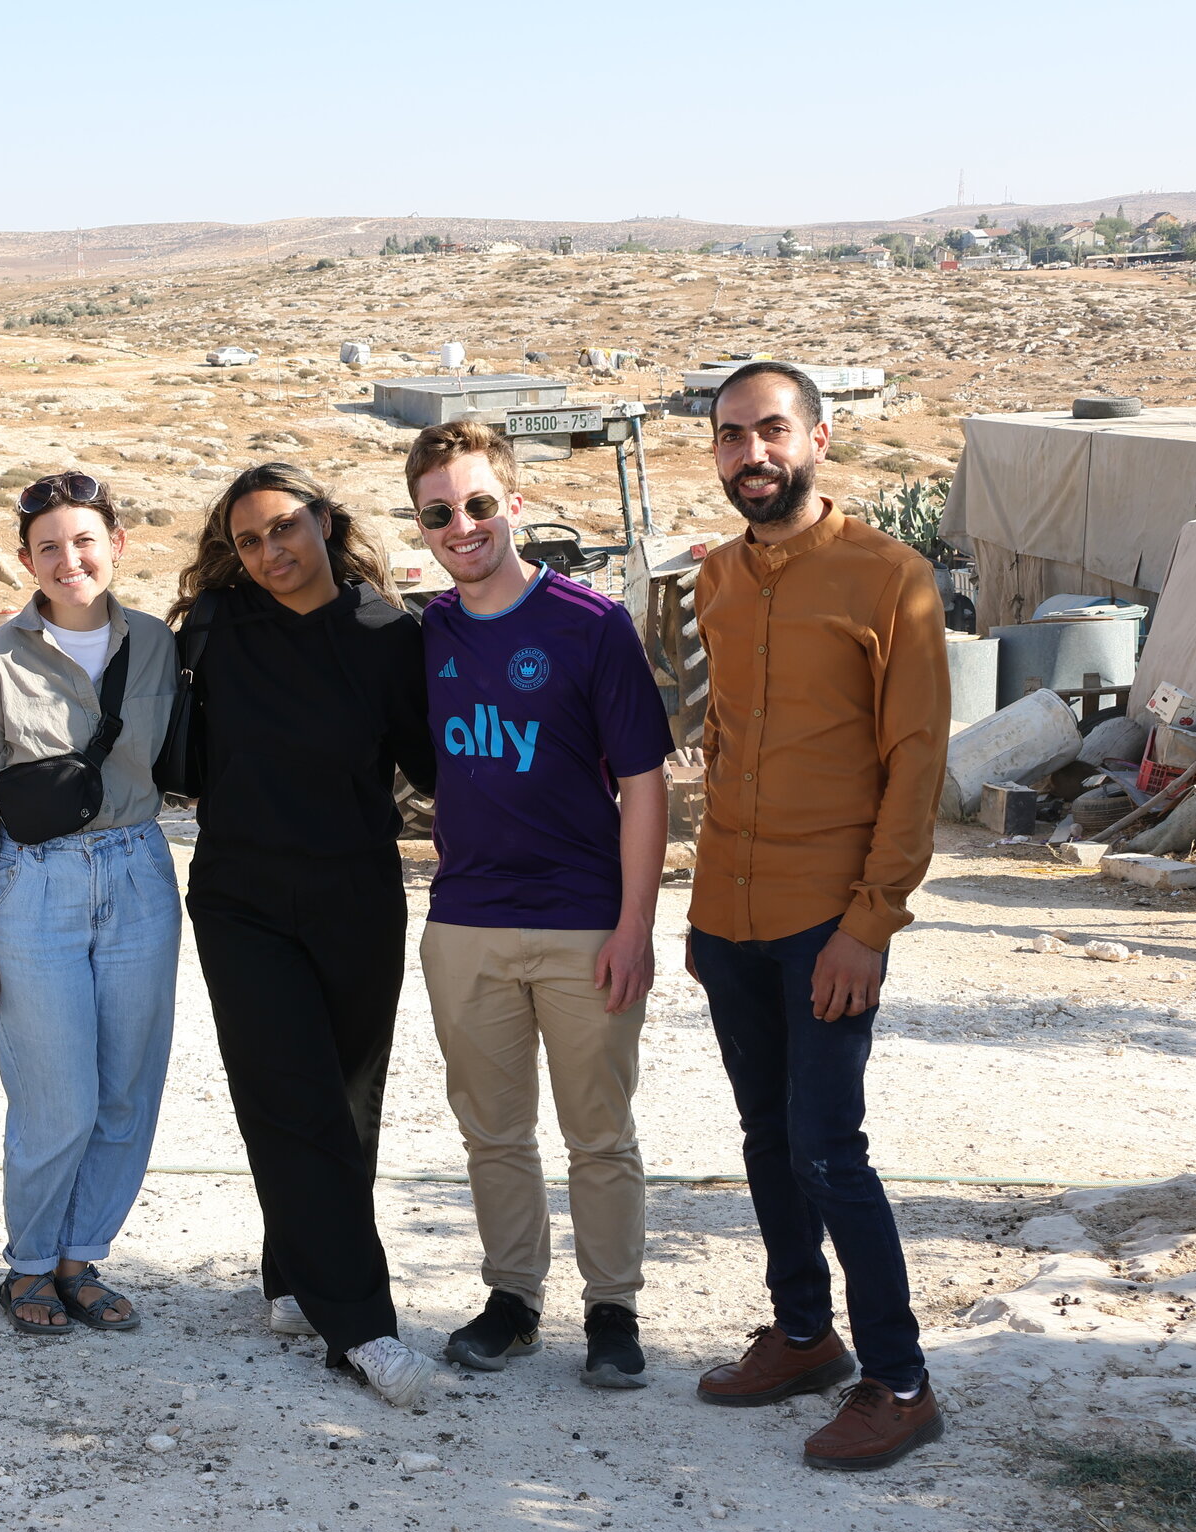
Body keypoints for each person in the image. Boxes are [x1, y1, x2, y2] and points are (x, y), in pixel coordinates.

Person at [686, 361, 950, 1470]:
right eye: (731, 435)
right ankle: (802, 1332)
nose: (753, 453)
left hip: (824, 924)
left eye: (772, 430)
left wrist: (868, 924)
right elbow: (727, 745)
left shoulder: (892, 581)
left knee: (827, 1149)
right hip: (725, 916)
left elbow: (914, 763)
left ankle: (899, 1381)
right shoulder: (714, 580)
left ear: (818, 438)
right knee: (762, 1141)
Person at [403, 422, 672, 1390]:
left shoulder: (586, 622)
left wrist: (634, 925)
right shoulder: (425, 632)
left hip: (581, 919)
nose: (461, 525)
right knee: (491, 1128)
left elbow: (643, 782)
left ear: (512, 503)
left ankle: (612, 1309)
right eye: (438, 512)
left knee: (597, 1130)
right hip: (464, 920)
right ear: (421, 526)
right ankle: (511, 1299)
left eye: (478, 503)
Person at [169, 462, 441, 1406]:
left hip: (357, 896)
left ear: (325, 521)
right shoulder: (212, 628)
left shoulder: (388, 636)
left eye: (285, 527)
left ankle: (291, 1271)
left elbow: (436, 769)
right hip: (240, 898)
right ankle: (361, 1326)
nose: (270, 552)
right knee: (289, 1094)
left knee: (348, 1096)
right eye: (248, 540)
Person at [0, 473, 180, 1335]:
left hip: (138, 875)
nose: (69, 559)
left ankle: (83, 1256)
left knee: (127, 1090)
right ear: (24, 561)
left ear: (116, 542)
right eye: (49, 546)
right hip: (32, 885)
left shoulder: (155, 644)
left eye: (85, 541)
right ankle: (31, 1263)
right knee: (56, 1099)